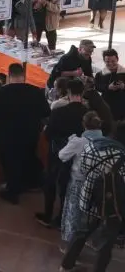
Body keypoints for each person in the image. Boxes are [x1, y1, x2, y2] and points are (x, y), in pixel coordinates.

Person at [59, 132, 125, 272]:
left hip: (89, 199)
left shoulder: (90, 148)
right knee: (106, 244)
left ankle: (66, 266)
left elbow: (83, 170)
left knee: (80, 232)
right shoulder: (122, 156)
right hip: (113, 206)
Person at [0, 63, 50, 204]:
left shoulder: (1, 93)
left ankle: (13, 191)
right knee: (28, 157)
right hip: (30, 133)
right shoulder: (35, 91)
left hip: (6, 135)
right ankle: (31, 183)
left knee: (9, 162)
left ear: (9, 75)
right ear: (24, 75)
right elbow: (46, 115)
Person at [36, 79, 86, 228]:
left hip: (57, 153)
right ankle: (62, 219)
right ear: (83, 93)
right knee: (67, 187)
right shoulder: (88, 113)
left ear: (68, 92)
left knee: (51, 182)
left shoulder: (58, 112)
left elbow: (48, 134)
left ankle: (47, 215)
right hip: (78, 156)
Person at [58, 111, 104, 247]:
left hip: (78, 183)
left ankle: (70, 248)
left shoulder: (79, 142)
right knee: (92, 215)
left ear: (84, 125)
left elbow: (62, 155)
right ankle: (91, 240)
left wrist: (71, 141)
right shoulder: (105, 141)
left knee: (74, 215)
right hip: (97, 184)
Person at [94, 48, 125, 122]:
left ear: (117, 59)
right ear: (104, 61)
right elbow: (97, 87)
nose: (110, 64)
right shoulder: (100, 74)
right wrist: (108, 87)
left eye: (113, 61)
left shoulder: (124, 72)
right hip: (107, 104)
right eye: (107, 61)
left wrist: (123, 86)